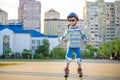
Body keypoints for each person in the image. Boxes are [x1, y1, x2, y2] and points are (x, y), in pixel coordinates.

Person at [60, 12, 87, 77]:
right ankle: (66, 69)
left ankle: (79, 69)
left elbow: (83, 35)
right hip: (70, 46)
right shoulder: (68, 29)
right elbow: (62, 37)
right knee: (68, 59)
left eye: (73, 20)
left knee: (78, 59)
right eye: (70, 20)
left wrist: (85, 40)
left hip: (77, 46)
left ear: (76, 20)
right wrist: (64, 40)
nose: (71, 21)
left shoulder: (79, 29)